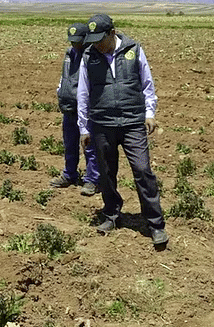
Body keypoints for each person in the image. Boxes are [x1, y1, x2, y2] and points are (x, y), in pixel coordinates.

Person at [77, 14, 167, 246]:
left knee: (142, 169)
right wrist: (84, 127)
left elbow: (147, 83)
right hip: (102, 123)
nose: (97, 44)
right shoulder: (89, 56)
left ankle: (155, 223)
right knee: (106, 173)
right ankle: (111, 215)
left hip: (132, 121)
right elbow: (83, 94)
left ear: (113, 33)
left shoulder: (134, 50)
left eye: (100, 39)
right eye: (93, 39)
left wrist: (149, 113)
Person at [51, 23, 100, 196]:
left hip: (85, 109)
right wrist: (60, 90)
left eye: (77, 41)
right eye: (72, 41)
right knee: (69, 144)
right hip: (68, 106)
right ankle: (69, 174)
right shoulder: (69, 54)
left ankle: (92, 179)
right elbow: (65, 76)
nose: (74, 45)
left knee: (89, 145)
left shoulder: (92, 56)